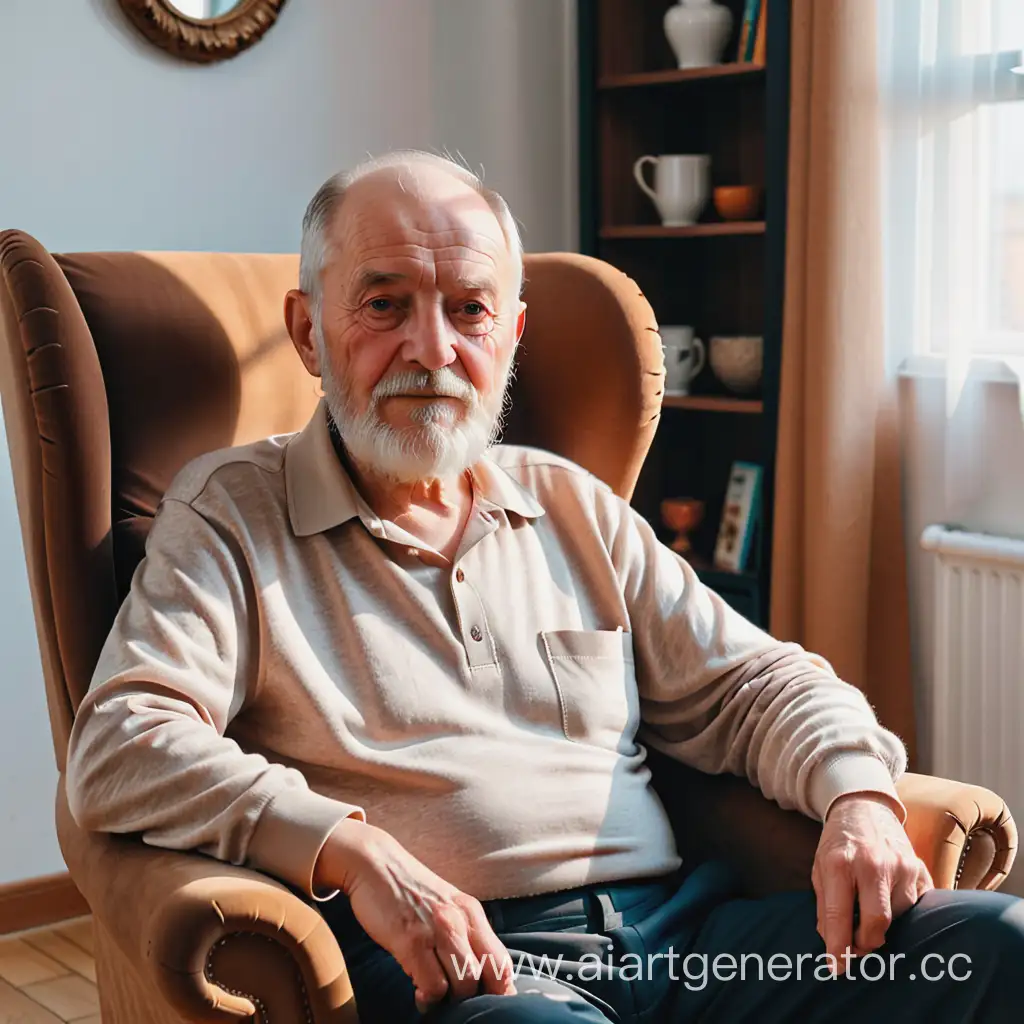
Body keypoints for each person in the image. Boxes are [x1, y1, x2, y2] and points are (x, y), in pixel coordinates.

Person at [65, 151, 1024, 1023]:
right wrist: (353, 851)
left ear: (511, 335)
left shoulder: (569, 503)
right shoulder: (230, 513)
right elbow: (123, 742)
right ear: (308, 331)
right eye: (384, 304)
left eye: (469, 309)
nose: (432, 349)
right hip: (483, 970)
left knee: (995, 949)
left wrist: (859, 794)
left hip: (694, 950)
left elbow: (754, 684)